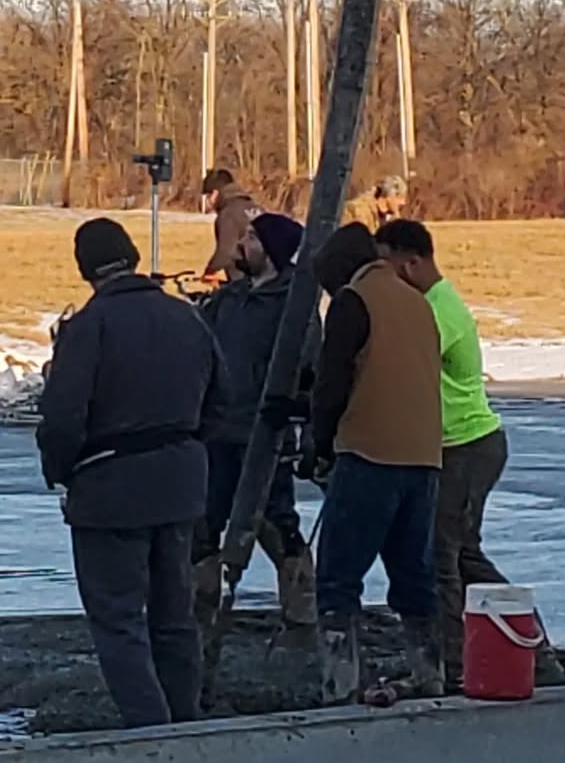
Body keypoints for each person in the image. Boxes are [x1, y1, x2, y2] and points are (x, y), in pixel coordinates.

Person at [38, 218, 225, 727]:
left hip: (109, 488)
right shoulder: (187, 318)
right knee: (175, 616)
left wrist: (62, 471)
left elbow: (62, 417)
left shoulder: (89, 327)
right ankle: (184, 721)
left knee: (119, 621)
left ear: (84, 268)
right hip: (180, 484)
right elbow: (222, 402)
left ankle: (149, 729)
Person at [375, 218, 543, 689]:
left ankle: (454, 657)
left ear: (410, 263)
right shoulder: (425, 305)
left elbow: (407, 362)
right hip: (449, 447)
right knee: (461, 554)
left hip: (467, 445)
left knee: (443, 555)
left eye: (385, 265)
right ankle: (519, 636)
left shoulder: (437, 312)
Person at [303, 222, 444, 703]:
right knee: (413, 575)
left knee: (339, 577)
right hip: (424, 457)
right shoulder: (417, 302)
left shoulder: (353, 301)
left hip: (369, 453)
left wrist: (317, 443)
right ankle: (429, 673)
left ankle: (339, 684)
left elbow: (334, 383)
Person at [192, 211, 315, 637]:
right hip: (217, 433)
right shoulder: (229, 298)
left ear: (272, 250)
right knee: (203, 523)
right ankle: (201, 610)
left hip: (264, 436)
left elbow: (309, 367)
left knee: (277, 525)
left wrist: (295, 410)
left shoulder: (293, 305)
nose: (240, 243)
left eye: (251, 237)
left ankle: (301, 610)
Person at [201, 169, 263, 283]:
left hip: (245, 281)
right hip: (267, 278)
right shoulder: (256, 208)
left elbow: (225, 252)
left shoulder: (228, 214)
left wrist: (210, 271)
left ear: (215, 193)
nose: (208, 201)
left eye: (208, 196)